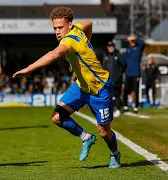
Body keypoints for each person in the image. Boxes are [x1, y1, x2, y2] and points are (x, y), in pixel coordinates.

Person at [13, 6, 120, 168]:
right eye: (54, 28)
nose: (57, 32)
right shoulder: (77, 29)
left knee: (104, 131)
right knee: (57, 117)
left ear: (69, 24)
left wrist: (28, 69)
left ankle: (114, 153)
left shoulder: (68, 41)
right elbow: (89, 23)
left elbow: (54, 54)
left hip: (100, 89)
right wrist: (86, 44)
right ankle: (86, 137)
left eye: (60, 28)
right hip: (81, 86)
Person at [103, 41, 126, 117]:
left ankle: (118, 109)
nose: (111, 48)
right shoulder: (106, 56)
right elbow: (104, 68)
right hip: (108, 79)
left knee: (117, 94)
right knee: (108, 95)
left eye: (112, 46)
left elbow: (124, 65)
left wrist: (119, 74)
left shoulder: (118, 54)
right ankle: (111, 109)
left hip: (117, 79)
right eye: (109, 46)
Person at [123, 35, 145, 113]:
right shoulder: (127, 50)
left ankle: (136, 107)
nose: (132, 42)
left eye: (133, 41)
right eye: (131, 41)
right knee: (125, 90)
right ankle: (125, 106)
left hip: (136, 73)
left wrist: (135, 38)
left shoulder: (138, 49)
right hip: (128, 73)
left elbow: (143, 43)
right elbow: (124, 62)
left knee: (136, 90)